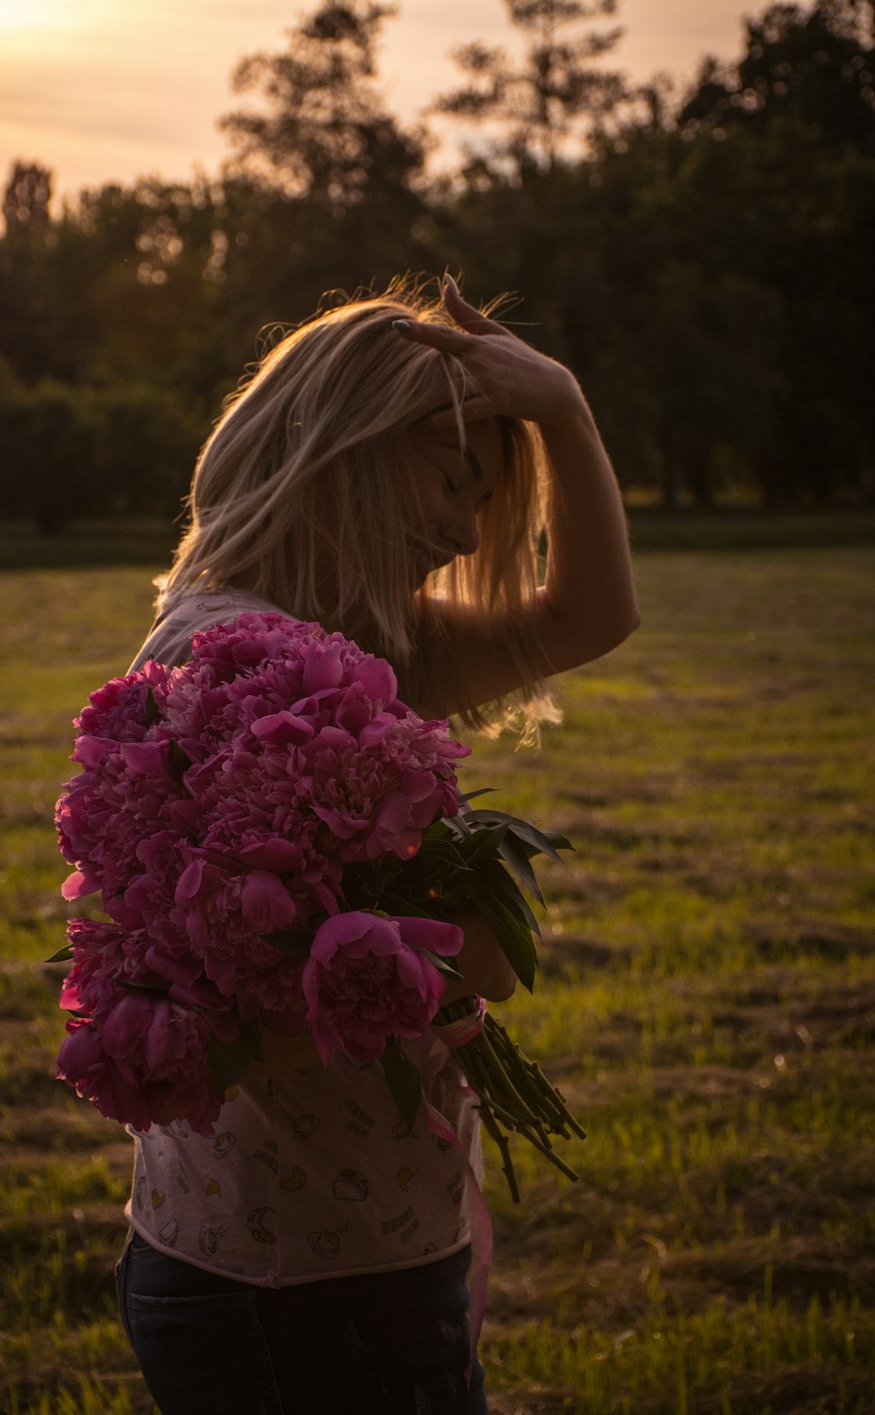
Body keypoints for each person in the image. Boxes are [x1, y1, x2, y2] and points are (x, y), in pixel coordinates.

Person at [113, 274, 639, 1414]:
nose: (462, 527)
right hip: (295, 1273)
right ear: (348, 445)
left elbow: (589, 616)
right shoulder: (238, 658)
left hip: (354, 1240)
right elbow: (242, 1008)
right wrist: (458, 964)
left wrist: (561, 406)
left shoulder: (366, 639)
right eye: (455, 479)